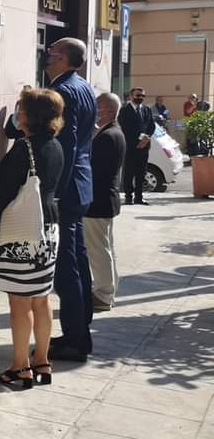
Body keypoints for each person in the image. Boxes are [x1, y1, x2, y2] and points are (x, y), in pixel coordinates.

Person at [0, 88, 65, 389]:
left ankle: (20, 367)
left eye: (21, 108)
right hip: (48, 228)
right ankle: (41, 361)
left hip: (22, 232)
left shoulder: (23, 148)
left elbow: (4, 188)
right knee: (41, 298)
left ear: (30, 115)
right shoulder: (57, 146)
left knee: (19, 303)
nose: (17, 112)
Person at [45, 38, 97, 363]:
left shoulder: (63, 90)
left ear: (63, 58)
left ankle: (76, 340)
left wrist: (55, 192)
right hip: (82, 183)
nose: (46, 57)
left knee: (67, 268)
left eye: (51, 53)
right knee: (78, 261)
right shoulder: (85, 86)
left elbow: (67, 143)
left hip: (69, 189)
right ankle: (81, 332)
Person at [85, 92, 126, 312]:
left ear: (109, 111)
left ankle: (102, 295)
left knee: (98, 250)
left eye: (98, 108)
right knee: (106, 248)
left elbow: (95, 171)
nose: (95, 112)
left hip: (98, 202)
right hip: (104, 201)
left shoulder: (109, 136)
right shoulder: (112, 132)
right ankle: (108, 290)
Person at [118, 86, 155, 206]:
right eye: (138, 95)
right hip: (130, 147)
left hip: (144, 147)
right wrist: (137, 140)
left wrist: (146, 137)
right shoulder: (124, 110)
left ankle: (139, 197)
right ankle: (129, 197)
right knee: (129, 173)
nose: (140, 98)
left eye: (143, 96)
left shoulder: (146, 110)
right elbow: (123, 127)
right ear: (131, 96)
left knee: (141, 172)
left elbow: (151, 126)